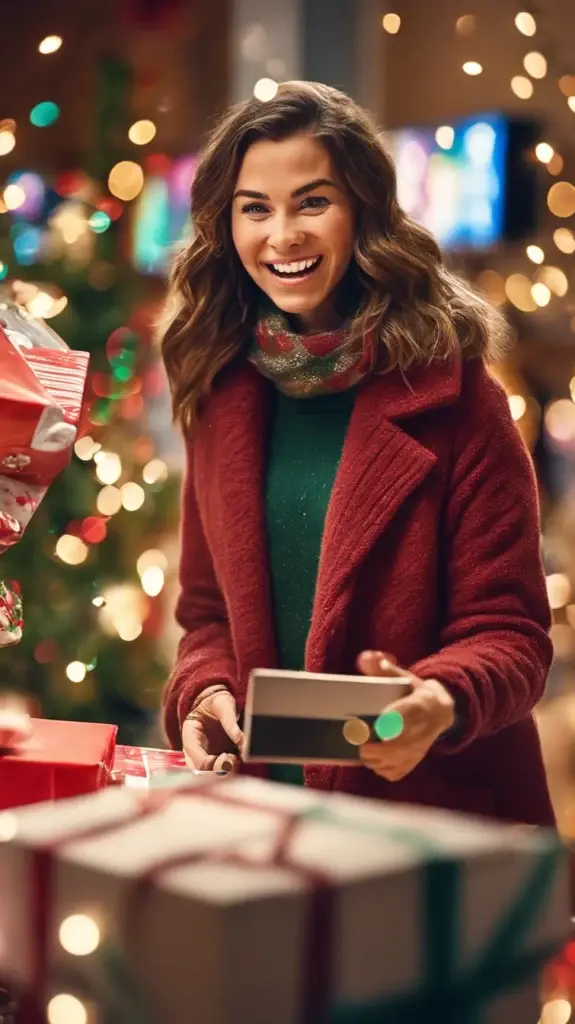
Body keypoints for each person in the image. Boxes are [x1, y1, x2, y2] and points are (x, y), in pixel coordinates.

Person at [159, 80, 555, 826]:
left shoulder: (456, 396)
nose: (282, 236)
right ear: (225, 224)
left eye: (312, 202)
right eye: (255, 208)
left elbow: (509, 636)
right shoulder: (221, 391)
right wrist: (204, 693)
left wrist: (437, 698)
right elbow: (207, 614)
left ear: (363, 212)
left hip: (428, 822)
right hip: (263, 820)